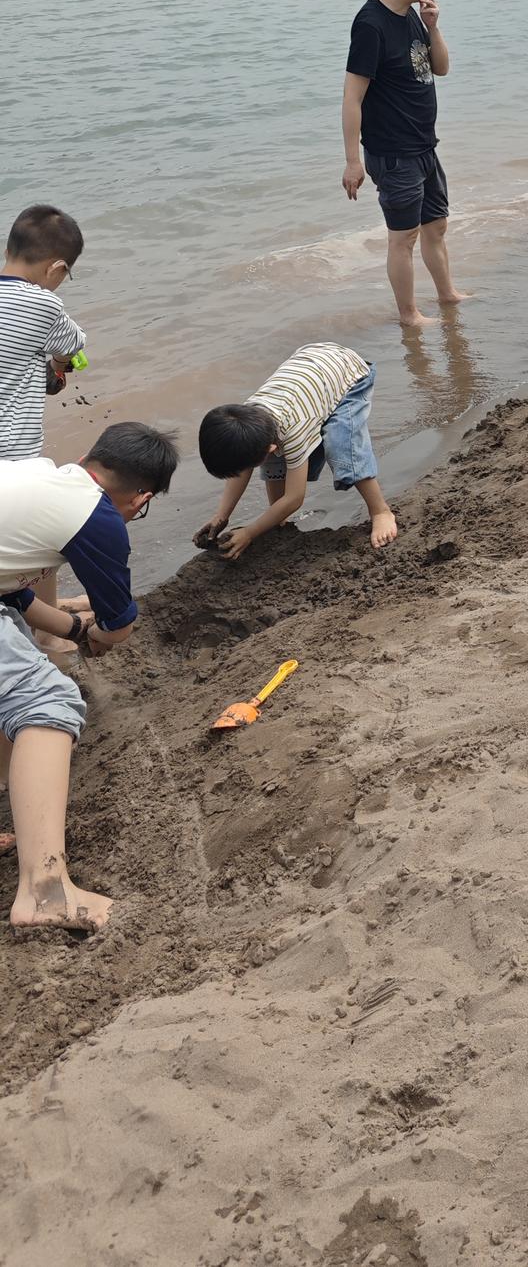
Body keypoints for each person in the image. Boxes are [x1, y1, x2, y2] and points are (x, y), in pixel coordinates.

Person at [0, 423, 179, 931]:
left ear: (88, 458)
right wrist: (100, 634)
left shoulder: (37, 478)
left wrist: (75, 627)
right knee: (46, 699)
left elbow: (11, 595)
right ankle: (45, 892)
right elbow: (119, 627)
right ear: (140, 497)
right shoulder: (99, 518)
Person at [342, 0, 464, 329]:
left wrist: (433, 26)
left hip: (424, 145)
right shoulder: (369, 25)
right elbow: (352, 97)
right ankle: (409, 315)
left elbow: (440, 68)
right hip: (393, 152)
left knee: (436, 226)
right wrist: (351, 161)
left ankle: (447, 294)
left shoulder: (412, 13)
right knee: (404, 237)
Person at [196, 343, 398, 556]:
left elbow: (295, 498)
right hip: (310, 371)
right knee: (274, 465)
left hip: (348, 375)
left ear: (271, 447)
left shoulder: (294, 428)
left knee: (342, 445)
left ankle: (380, 511)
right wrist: (221, 516)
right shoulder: (247, 419)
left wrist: (250, 532)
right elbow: (242, 468)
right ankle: (279, 522)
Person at [0, 206, 86, 464]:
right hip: (10, 454)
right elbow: (74, 342)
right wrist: (57, 367)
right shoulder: (42, 304)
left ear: (7, 252)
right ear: (56, 268)